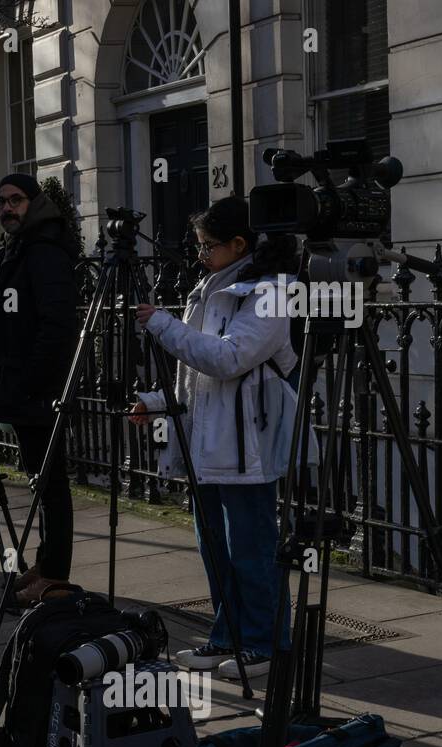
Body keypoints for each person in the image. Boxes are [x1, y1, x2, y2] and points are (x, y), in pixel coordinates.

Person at [129, 195, 301, 678]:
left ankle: (265, 644)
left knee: (251, 547)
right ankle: (226, 635)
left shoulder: (272, 291)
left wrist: (161, 324)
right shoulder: (211, 286)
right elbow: (195, 370)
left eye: (208, 246)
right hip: (209, 437)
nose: (200, 254)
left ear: (239, 244)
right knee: (216, 547)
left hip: (249, 438)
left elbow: (227, 359)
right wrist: (159, 401)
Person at [0, 172, 81, 605]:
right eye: (1, 202)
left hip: (40, 390)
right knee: (41, 480)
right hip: (23, 388)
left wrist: (34, 382)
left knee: (51, 484)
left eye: (15, 200)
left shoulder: (44, 250)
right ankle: (48, 563)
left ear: (33, 204)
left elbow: (56, 325)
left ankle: (55, 575)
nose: (6, 208)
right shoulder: (20, 248)